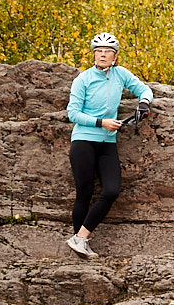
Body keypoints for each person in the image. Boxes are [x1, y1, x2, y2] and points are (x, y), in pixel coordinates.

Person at [65, 32, 152, 259]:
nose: (103, 54)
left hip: (108, 143)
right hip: (83, 140)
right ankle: (80, 244)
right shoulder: (83, 79)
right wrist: (100, 122)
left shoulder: (120, 74)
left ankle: (79, 238)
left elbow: (144, 89)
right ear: (94, 54)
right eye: (99, 51)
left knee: (111, 191)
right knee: (84, 194)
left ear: (115, 56)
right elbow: (72, 113)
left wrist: (144, 103)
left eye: (108, 51)